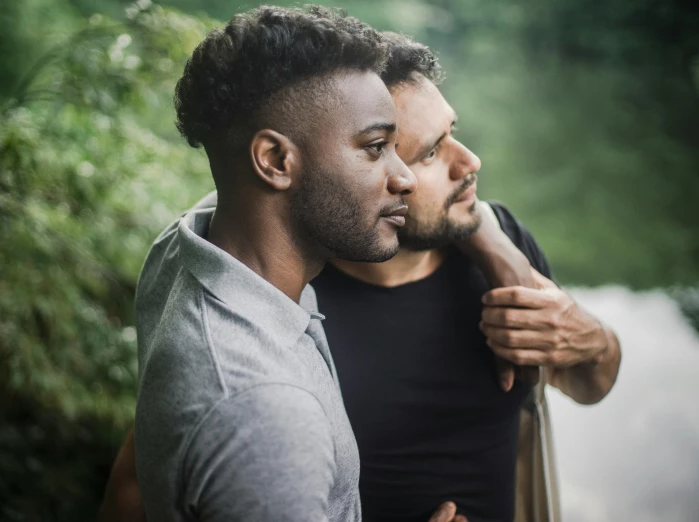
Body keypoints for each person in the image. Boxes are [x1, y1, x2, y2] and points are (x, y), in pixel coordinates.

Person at [102, 29, 622, 522]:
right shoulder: (276, 296)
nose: (470, 163)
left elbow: (590, 385)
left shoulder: (502, 245)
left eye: (453, 134)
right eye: (422, 152)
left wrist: (591, 340)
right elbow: (141, 483)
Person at [132, 6, 422, 522]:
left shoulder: (182, 248)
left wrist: (492, 238)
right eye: (375, 148)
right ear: (275, 161)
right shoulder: (266, 414)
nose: (406, 179)